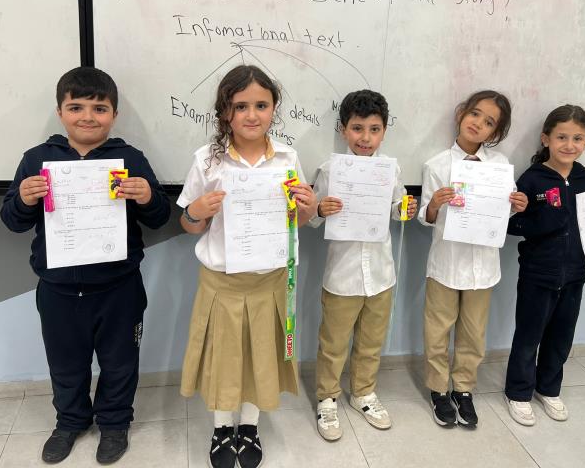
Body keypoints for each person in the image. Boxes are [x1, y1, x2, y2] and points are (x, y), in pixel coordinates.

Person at [0, 66, 171, 464]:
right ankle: (70, 422)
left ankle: (114, 423)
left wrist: (147, 196)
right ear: (60, 112)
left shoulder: (130, 158)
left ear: (114, 114)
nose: (88, 117)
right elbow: (11, 220)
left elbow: (160, 217)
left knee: (120, 363)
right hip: (58, 290)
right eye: (76, 107)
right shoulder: (37, 159)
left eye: (100, 108)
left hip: (119, 287)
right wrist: (23, 198)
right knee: (65, 364)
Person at [177, 65, 317, 468]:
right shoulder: (207, 161)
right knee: (224, 359)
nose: (251, 115)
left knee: (261, 358)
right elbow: (188, 224)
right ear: (225, 112)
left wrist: (307, 209)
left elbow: (295, 222)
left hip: (270, 281)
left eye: (261, 105)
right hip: (222, 283)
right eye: (240, 106)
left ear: (274, 109)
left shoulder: (288, 158)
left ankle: (251, 426)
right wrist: (196, 211)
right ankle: (223, 428)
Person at [504, 104, 585, 426]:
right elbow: (514, 227)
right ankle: (518, 392)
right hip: (537, 273)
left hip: (575, 274)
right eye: (562, 137)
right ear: (546, 138)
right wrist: (525, 214)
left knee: (561, 336)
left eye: (577, 138)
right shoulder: (532, 179)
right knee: (528, 336)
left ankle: (548, 388)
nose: (569, 145)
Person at [309, 90, 418, 440]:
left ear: (384, 131)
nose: (365, 138)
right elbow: (311, 216)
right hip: (342, 275)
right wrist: (320, 209)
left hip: (381, 274)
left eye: (374, 129)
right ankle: (327, 397)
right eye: (357, 128)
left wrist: (406, 208)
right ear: (344, 129)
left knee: (371, 340)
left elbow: (397, 209)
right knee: (333, 341)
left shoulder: (391, 169)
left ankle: (363, 393)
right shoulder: (330, 170)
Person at [419, 90, 527, 428]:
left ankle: (463, 388)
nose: (478, 123)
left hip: (483, 266)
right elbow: (425, 217)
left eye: (489, 122)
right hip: (446, 263)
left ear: (495, 132)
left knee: (473, 332)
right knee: (437, 330)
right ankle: (439, 389)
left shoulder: (500, 167)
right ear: (462, 114)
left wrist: (517, 206)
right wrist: (434, 204)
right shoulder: (437, 165)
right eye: (475, 114)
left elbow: (502, 212)